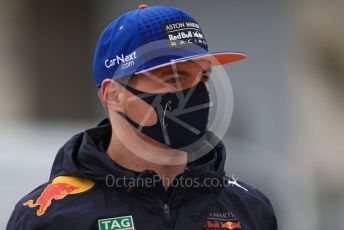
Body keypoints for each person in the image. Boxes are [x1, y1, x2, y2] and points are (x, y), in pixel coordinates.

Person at [7, 4, 277, 230]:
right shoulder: (50, 216)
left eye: (203, 77)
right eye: (174, 78)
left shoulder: (248, 208)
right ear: (113, 95)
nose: (195, 93)